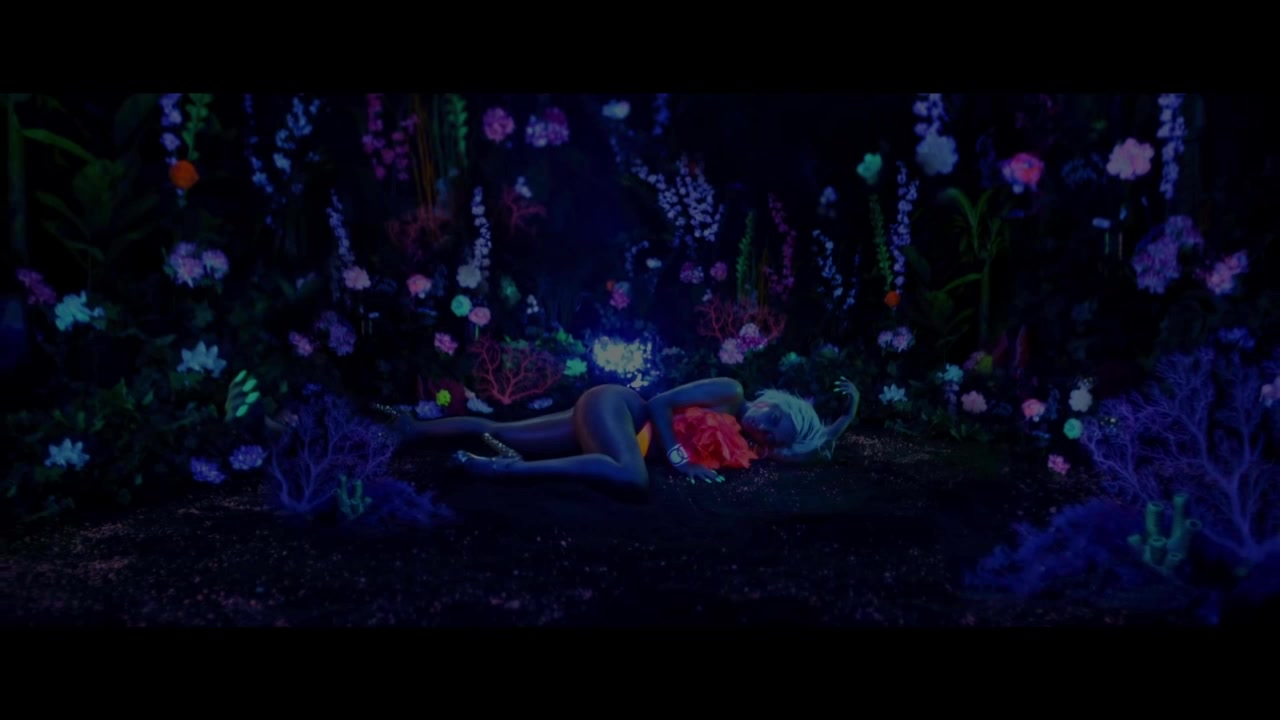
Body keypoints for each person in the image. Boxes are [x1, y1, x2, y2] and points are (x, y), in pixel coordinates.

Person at [375, 376, 860, 502]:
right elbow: (660, 402)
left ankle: (412, 427)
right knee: (632, 477)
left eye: (772, 434)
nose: (764, 424)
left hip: (614, 424)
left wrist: (843, 419)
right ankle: (506, 471)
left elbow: (808, 453)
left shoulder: (747, 444)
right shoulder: (731, 392)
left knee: (501, 430)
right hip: (621, 408)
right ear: (776, 399)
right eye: (776, 415)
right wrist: (678, 457)